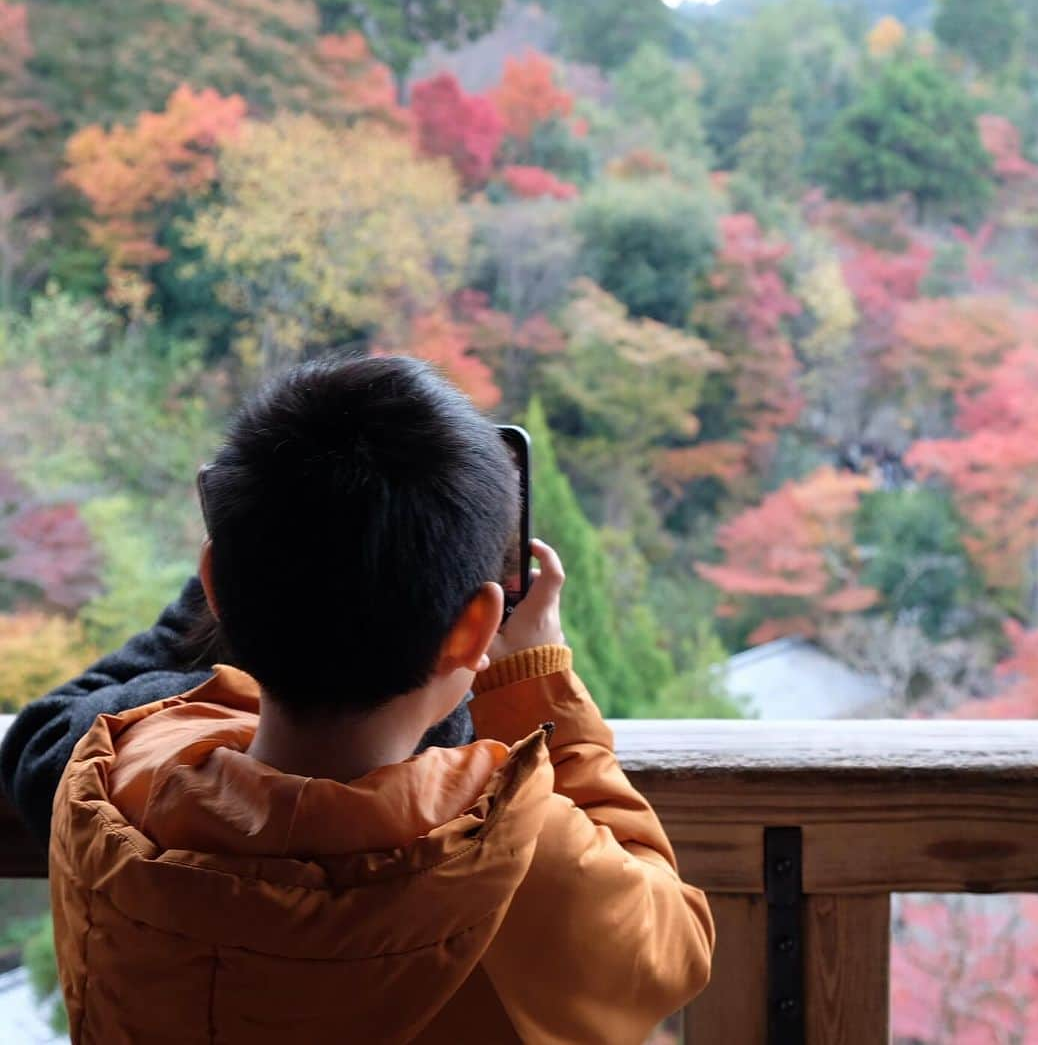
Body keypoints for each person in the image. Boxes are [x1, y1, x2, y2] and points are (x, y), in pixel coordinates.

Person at [7, 354, 714, 1043]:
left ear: (216, 583)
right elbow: (674, 946)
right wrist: (532, 679)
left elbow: (57, 717)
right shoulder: (521, 857)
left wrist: (258, 566)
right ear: (473, 628)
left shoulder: (111, 774)